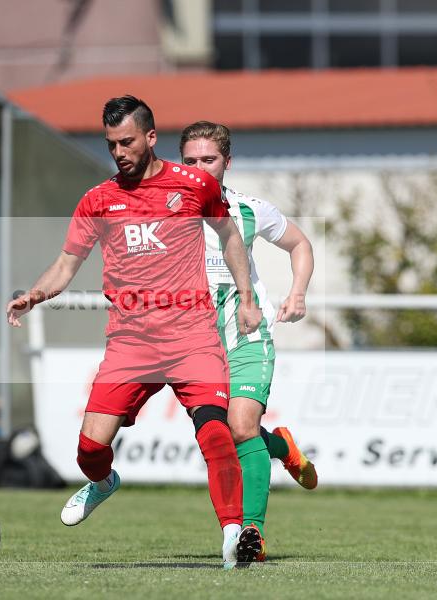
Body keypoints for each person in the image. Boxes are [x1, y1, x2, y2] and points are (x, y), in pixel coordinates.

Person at [7, 96, 265, 568]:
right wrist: (35, 295)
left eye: (127, 141)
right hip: (131, 343)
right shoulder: (98, 200)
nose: (119, 152)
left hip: (192, 337)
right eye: (111, 145)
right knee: (89, 450)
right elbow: (67, 264)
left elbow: (229, 235)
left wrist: (247, 297)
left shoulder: (193, 185)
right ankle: (104, 482)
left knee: (214, 430)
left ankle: (233, 535)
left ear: (150, 137)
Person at [180, 121, 318, 561]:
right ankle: (280, 446)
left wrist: (297, 293)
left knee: (240, 428)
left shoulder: (249, 209)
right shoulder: (165, 213)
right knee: (226, 434)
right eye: (190, 160)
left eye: (208, 159)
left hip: (247, 334)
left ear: (227, 163)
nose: (199, 168)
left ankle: (252, 535)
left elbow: (300, 245)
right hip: (195, 346)